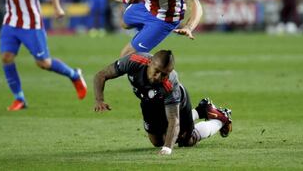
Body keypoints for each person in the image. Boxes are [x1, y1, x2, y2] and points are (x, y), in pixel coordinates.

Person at [94, 50, 232, 155]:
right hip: (149, 103)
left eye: (164, 74)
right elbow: (101, 75)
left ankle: (220, 118)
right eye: (157, 71)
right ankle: (202, 110)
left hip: (179, 105)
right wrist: (99, 100)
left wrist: (167, 149)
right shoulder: (133, 61)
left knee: (186, 141)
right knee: (157, 142)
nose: (159, 77)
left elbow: (174, 120)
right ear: (149, 63)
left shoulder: (170, 85)